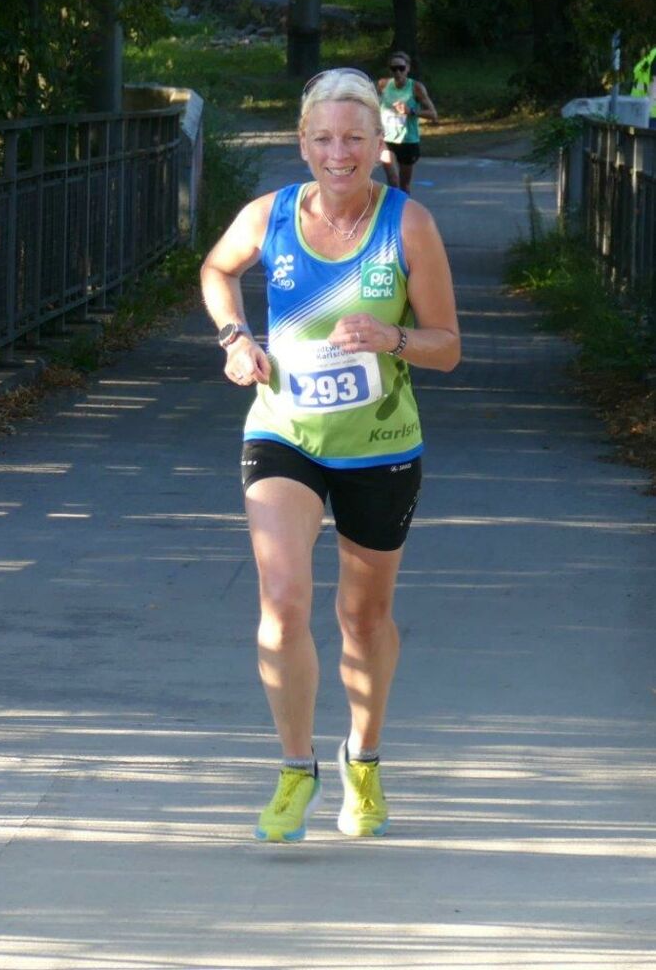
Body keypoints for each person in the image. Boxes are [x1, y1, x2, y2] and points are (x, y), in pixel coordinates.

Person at [200, 67, 459, 844]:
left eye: (354, 138)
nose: (338, 153)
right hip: (284, 431)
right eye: (323, 139)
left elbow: (447, 347)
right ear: (302, 144)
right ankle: (294, 769)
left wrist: (391, 336)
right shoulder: (270, 215)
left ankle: (363, 758)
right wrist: (235, 337)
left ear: (381, 144)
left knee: (362, 616)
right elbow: (217, 269)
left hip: (380, 445)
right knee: (282, 597)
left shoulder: (409, 225)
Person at [377, 51, 438, 194]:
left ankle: (405, 207)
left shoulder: (416, 87)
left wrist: (411, 111)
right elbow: (374, 105)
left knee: (404, 185)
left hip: (408, 141)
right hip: (387, 140)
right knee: (393, 180)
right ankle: (394, 207)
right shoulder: (383, 84)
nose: (397, 72)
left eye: (401, 68)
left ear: (408, 68)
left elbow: (433, 115)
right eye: (394, 69)